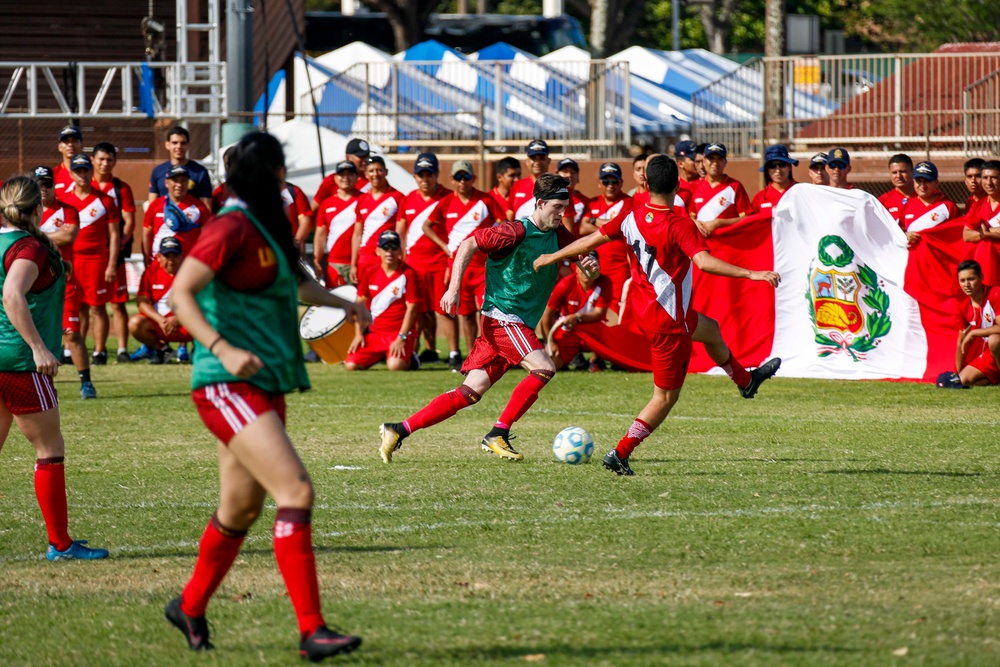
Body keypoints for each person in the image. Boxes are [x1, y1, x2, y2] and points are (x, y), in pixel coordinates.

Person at [165, 132, 368, 659]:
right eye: (281, 171)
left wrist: (343, 304)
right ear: (266, 174)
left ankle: (188, 606)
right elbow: (179, 293)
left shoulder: (263, 225)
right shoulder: (230, 224)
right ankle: (312, 630)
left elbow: (295, 285)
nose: (286, 181)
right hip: (227, 382)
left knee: (239, 510)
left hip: (265, 381)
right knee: (296, 492)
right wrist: (222, 348)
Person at [534, 156, 782, 476]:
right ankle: (620, 453)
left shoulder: (630, 216)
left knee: (710, 328)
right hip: (667, 321)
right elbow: (705, 263)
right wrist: (753, 274)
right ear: (679, 187)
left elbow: (590, 240)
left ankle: (745, 381)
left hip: (646, 310)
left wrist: (553, 255)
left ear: (646, 185)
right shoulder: (679, 223)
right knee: (664, 397)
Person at [379, 173, 599, 463]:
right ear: (541, 203)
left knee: (469, 392)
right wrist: (454, 287)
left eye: (565, 208)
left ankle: (398, 430)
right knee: (543, 367)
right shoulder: (515, 231)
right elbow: (469, 244)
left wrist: (590, 268)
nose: (562, 214)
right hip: (503, 317)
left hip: (515, 323)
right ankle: (498, 433)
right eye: (557, 208)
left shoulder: (560, 236)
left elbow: (584, 267)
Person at [0, 176, 109, 560]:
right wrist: (38, 348)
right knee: (50, 449)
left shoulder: (8, 242)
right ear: (37, 209)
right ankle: (60, 544)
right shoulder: (27, 248)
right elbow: (12, 294)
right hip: (19, 362)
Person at [422, 160, 506, 370]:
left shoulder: (485, 200)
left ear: (473, 179)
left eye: (466, 177)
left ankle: (493, 352)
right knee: (465, 314)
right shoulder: (446, 202)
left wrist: (495, 246)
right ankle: (473, 358)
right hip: (458, 269)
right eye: (458, 177)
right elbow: (427, 226)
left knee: (487, 311)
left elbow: (504, 222)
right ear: (451, 179)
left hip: (483, 268)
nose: (462, 181)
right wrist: (444, 247)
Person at [35, 167, 96, 399]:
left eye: (47, 184)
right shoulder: (28, 212)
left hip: (63, 280)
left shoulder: (68, 210)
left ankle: (86, 382)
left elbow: (69, 236)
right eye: (39, 183)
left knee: (71, 333)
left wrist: (35, 234)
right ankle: (46, 383)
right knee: (40, 334)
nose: (43, 189)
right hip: (36, 282)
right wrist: (51, 234)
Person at [57, 153, 121, 367]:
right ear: (72, 173)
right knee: (79, 307)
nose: (82, 175)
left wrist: (112, 263)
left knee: (97, 307)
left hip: (97, 261)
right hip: (72, 262)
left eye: (86, 170)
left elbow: (114, 235)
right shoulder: (64, 200)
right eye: (78, 171)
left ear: (91, 172)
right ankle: (77, 347)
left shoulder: (105, 200)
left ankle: (100, 352)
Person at [397, 152, 451, 362]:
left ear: (437, 174)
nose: (425, 179)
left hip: (439, 263)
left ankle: (447, 352)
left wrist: (450, 262)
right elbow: (400, 231)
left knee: (442, 310)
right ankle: (420, 350)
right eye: (421, 175)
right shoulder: (408, 199)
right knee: (418, 310)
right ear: (415, 176)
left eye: (429, 174)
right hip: (414, 264)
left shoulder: (447, 197)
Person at [345, 231, 419, 371]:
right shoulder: (370, 272)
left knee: (395, 366)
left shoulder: (408, 273)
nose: (389, 252)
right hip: (375, 333)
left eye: (394, 247)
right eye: (385, 247)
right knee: (351, 365)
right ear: (378, 251)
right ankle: (382, 355)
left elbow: (412, 308)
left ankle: (412, 359)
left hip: (398, 333)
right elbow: (359, 304)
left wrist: (401, 337)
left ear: (400, 251)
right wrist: (359, 334)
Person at [92, 142, 136, 363]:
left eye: (109, 159)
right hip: (89, 256)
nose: (105, 163)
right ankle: (98, 351)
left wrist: (119, 245)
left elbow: (129, 222)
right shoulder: (83, 185)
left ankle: (122, 350)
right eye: (101, 159)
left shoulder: (121, 188)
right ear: (93, 160)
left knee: (118, 303)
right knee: (93, 305)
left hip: (114, 255)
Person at [539, 252, 613, 370]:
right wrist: (550, 342)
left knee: (612, 336)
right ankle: (570, 357)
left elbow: (599, 314)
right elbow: (547, 315)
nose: (587, 270)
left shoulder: (605, 282)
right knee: (551, 366)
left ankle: (596, 359)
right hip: (567, 328)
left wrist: (577, 317)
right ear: (576, 268)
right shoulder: (566, 284)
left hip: (594, 328)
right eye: (583, 266)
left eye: (591, 265)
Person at [129, 237, 192, 364]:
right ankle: (163, 350)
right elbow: (142, 302)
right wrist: (161, 320)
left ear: (182, 256)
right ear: (158, 257)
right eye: (167, 256)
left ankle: (198, 351)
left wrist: (178, 319)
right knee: (135, 323)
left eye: (175, 255)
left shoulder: (193, 272)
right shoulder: (151, 272)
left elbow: (204, 304)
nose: (171, 260)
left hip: (189, 324)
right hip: (161, 324)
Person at [580, 163, 633, 312]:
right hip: (593, 264)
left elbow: (622, 227)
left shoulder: (629, 202)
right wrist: (611, 226)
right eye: (606, 182)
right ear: (599, 183)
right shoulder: (592, 203)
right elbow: (583, 227)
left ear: (621, 183)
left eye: (614, 181)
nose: (610, 185)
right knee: (591, 304)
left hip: (619, 267)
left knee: (618, 306)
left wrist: (595, 221)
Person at [350, 156, 404, 284]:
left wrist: (400, 256)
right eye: (371, 171)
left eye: (379, 170)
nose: (375, 174)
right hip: (365, 258)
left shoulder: (398, 197)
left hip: (388, 256)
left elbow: (401, 232)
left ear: (386, 172)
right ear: (365, 174)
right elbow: (357, 234)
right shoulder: (361, 200)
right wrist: (353, 264)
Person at [143, 164, 212, 263]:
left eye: (183, 181)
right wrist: (146, 259)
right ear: (167, 183)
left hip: (188, 265)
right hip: (159, 264)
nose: (179, 185)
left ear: (188, 183)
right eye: (175, 180)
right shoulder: (155, 205)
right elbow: (146, 234)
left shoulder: (199, 207)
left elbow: (208, 235)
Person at [313, 160, 361, 287]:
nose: (345, 177)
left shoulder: (364, 200)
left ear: (357, 177)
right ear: (335, 178)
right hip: (334, 264)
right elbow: (320, 234)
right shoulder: (326, 204)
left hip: (360, 264)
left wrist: (355, 264)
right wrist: (316, 260)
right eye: (342, 174)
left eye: (350, 174)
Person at [690, 143, 752, 237]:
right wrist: (694, 223)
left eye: (719, 158)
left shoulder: (735, 186)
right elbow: (690, 216)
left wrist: (719, 223)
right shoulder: (695, 186)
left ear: (725, 162)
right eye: (711, 158)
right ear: (704, 161)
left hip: (728, 247)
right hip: (702, 248)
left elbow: (747, 218)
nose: (715, 163)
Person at [955, 260, 1000, 387]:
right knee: (963, 381)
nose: (966, 284)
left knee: (994, 340)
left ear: (981, 277)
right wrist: (958, 373)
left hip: (996, 346)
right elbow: (960, 343)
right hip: (991, 354)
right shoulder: (963, 307)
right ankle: (997, 379)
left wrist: (974, 333)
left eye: (971, 279)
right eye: (962, 280)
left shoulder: (995, 293)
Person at [148, 126, 214, 209]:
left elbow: (206, 207)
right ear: (167, 145)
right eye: (174, 143)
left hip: (191, 220)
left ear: (188, 145)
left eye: (183, 143)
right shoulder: (158, 171)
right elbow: (152, 207)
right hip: (163, 220)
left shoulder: (200, 172)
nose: (179, 146)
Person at [900, 161, 958, 246]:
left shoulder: (948, 206)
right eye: (918, 181)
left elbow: (958, 236)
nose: (922, 185)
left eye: (927, 181)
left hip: (939, 258)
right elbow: (898, 232)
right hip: (914, 257)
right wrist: (905, 236)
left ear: (936, 182)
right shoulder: (907, 205)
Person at [311, 138, 373, 211]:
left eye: (367, 156)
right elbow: (313, 209)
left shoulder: (373, 180)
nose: (365, 160)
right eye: (361, 157)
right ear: (347, 157)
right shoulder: (332, 180)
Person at [507, 139, 551, 221]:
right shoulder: (517, 185)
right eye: (533, 158)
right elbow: (510, 215)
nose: (537, 162)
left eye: (541, 158)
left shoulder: (557, 186)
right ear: (527, 161)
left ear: (548, 161)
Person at [751, 144, 798, 216]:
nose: (778, 170)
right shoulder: (759, 198)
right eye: (772, 166)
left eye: (781, 164)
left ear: (789, 167)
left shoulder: (802, 191)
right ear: (767, 170)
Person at [556, 158, 591, 237]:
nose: (569, 175)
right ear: (556, 175)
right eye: (565, 171)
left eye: (573, 172)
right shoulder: (551, 197)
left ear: (578, 177)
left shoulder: (587, 202)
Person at [878, 154, 915, 224]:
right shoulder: (883, 201)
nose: (898, 176)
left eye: (903, 172)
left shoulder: (926, 197)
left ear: (912, 171)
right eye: (894, 172)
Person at [51, 125, 83, 199]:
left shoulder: (90, 173)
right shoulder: (53, 174)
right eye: (66, 141)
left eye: (74, 140)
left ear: (81, 145)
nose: (70, 144)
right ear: (59, 147)